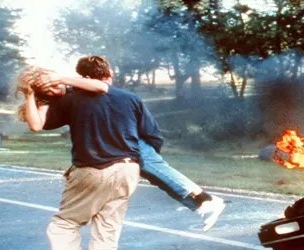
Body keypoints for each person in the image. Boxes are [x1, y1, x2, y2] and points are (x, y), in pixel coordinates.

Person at [16, 64, 225, 232]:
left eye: (54, 85)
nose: (54, 90)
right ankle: (202, 205)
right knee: (154, 174)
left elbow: (101, 87)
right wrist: (29, 95)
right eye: (47, 90)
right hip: (104, 139)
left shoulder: (76, 85)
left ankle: (205, 200)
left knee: (152, 166)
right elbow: (36, 125)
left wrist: (60, 79)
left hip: (120, 132)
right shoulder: (49, 102)